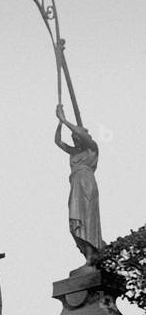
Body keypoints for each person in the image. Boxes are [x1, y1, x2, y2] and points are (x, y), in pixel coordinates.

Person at [54, 104, 102, 265]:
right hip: (75, 184)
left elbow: (84, 136)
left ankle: (91, 257)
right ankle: (86, 255)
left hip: (87, 183)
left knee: (87, 218)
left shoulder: (92, 149)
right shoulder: (74, 152)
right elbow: (58, 141)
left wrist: (64, 119)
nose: (74, 139)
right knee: (75, 220)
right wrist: (59, 123)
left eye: (76, 137)